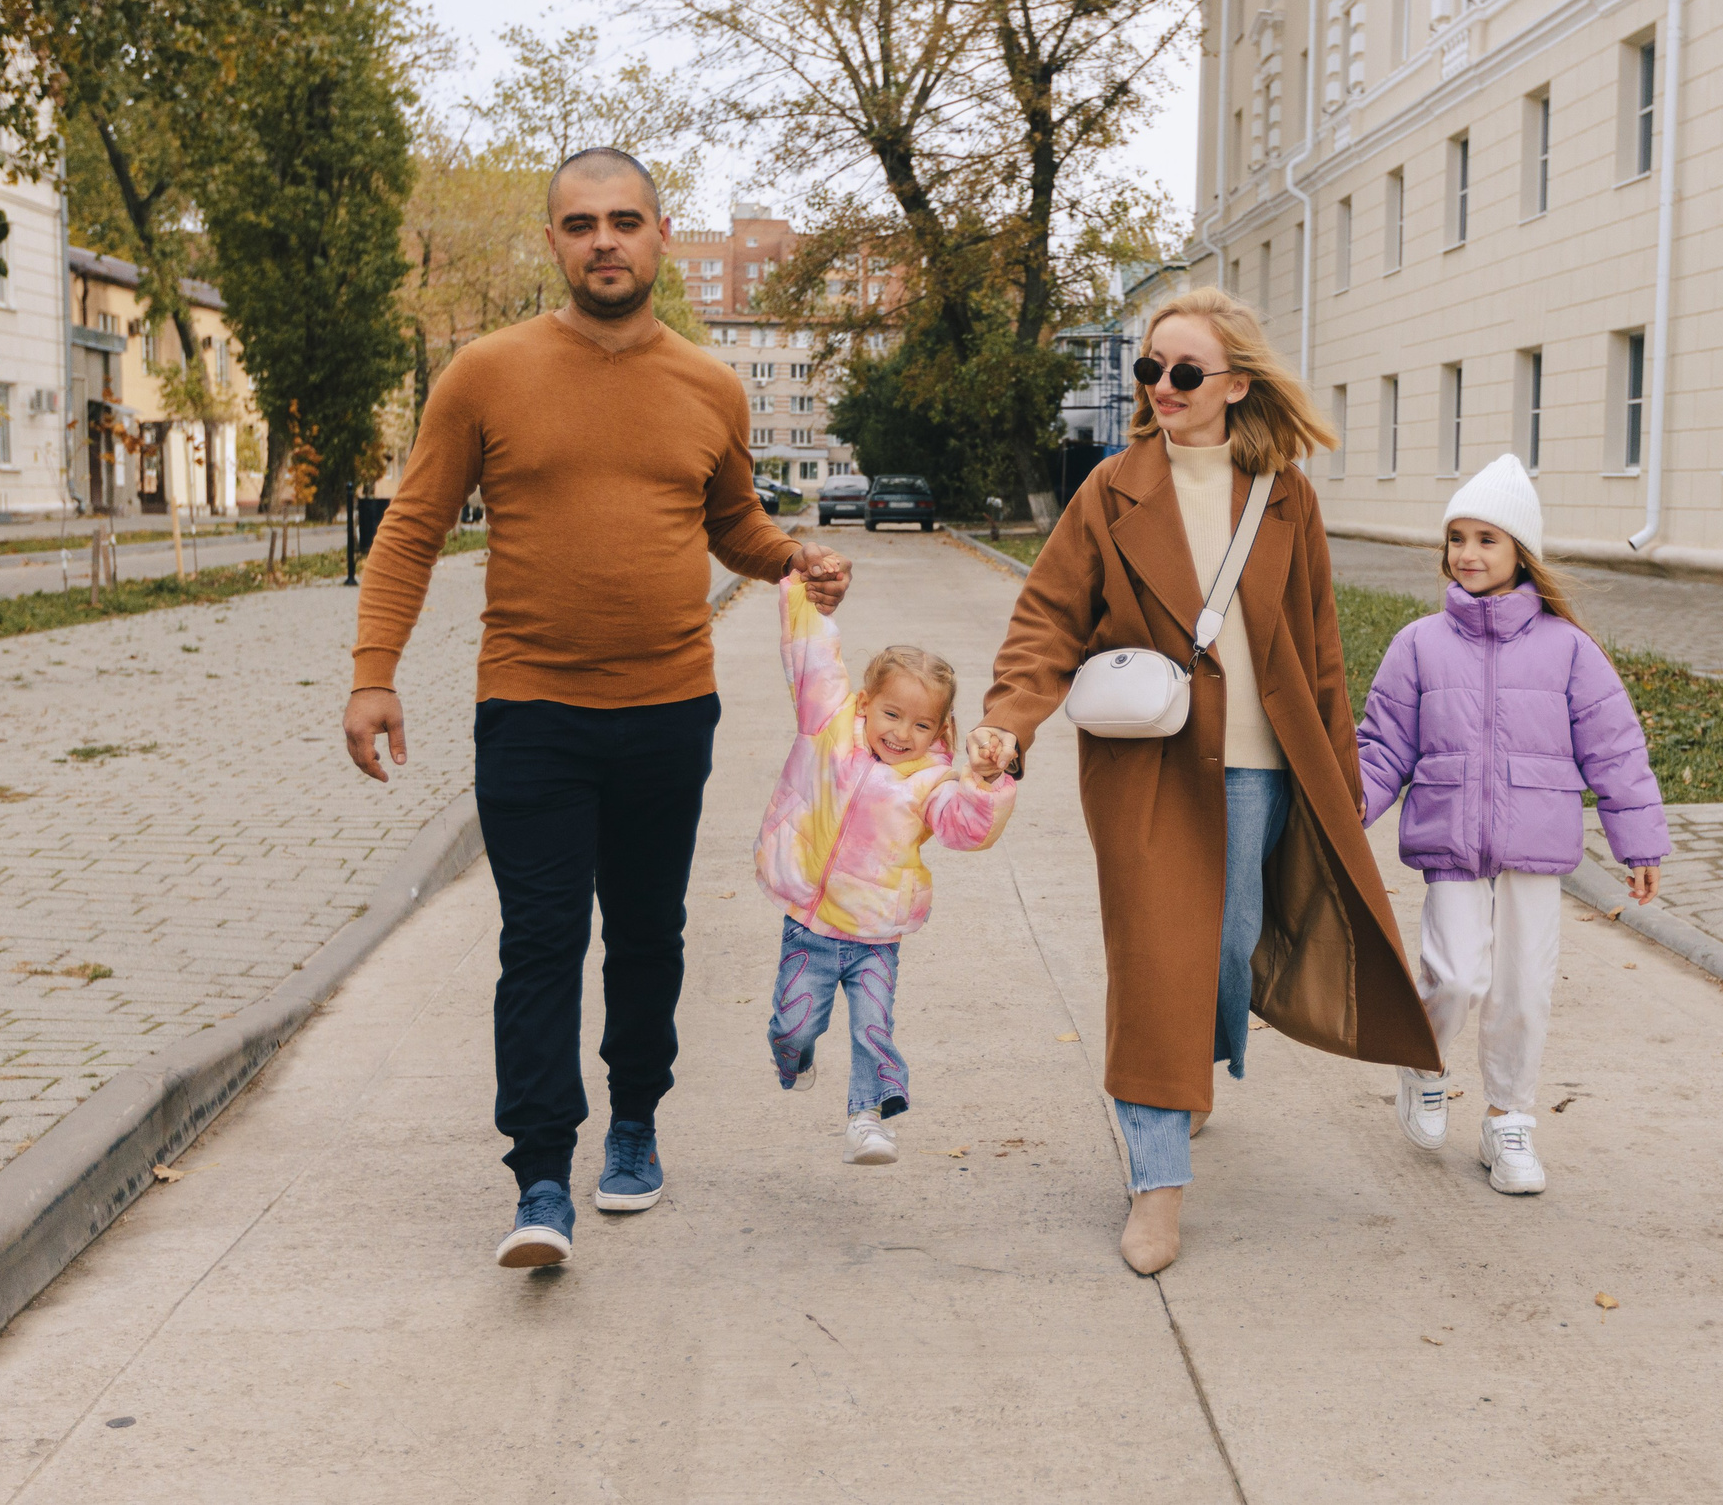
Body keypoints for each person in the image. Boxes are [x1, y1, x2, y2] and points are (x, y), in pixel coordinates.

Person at [341, 147, 851, 1271]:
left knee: (647, 933)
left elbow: (731, 519)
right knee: (540, 939)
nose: (604, 240)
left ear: (660, 235)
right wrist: (375, 671)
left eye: (625, 220)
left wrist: (793, 559)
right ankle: (538, 1173)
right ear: (553, 243)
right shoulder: (486, 372)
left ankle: (634, 1122)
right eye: (581, 224)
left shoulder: (710, 386)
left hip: (669, 709)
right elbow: (412, 527)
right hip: (530, 709)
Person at [968, 286, 1439, 1276]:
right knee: (1156, 964)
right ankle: (1157, 1179)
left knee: (1226, 946)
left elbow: (1318, 645)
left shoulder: (1285, 494)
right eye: (1151, 368)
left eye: (1185, 371)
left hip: (1263, 769)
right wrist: (1007, 720)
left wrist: (1342, 774)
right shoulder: (1110, 490)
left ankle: (1190, 1060)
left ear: (1235, 384)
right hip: (1148, 767)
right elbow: (1047, 617)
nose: (1163, 385)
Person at [1355, 453, 1668, 1195]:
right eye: (1457, 538)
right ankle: (1424, 1063)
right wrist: (1345, 813)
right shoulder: (1418, 644)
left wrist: (1640, 843)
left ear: (1520, 551)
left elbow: (1615, 750)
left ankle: (1508, 1121)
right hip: (1450, 841)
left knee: (1523, 990)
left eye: (1486, 539)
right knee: (1456, 975)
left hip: (1536, 844)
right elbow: (1383, 746)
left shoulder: (1568, 649)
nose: (1467, 553)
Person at [757, 576, 1015, 1165]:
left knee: (873, 1029)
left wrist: (985, 782)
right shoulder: (828, 729)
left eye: (921, 725)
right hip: (809, 926)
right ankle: (792, 1057)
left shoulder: (932, 781)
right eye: (892, 714)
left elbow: (965, 829)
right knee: (794, 1029)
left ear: (941, 731)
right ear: (866, 703)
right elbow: (813, 660)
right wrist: (804, 589)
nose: (902, 734)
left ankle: (868, 1119)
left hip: (875, 935)